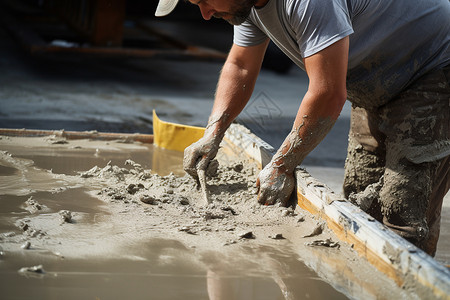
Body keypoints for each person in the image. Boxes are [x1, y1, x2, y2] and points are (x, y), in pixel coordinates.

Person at [154, 0, 450, 256]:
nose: (205, 14)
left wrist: (282, 165)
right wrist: (213, 132)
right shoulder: (243, 8)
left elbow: (328, 92)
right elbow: (241, 66)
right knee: (362, 204)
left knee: (404, 209)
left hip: (435, 66)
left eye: (204, 1)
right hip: (377, 78)